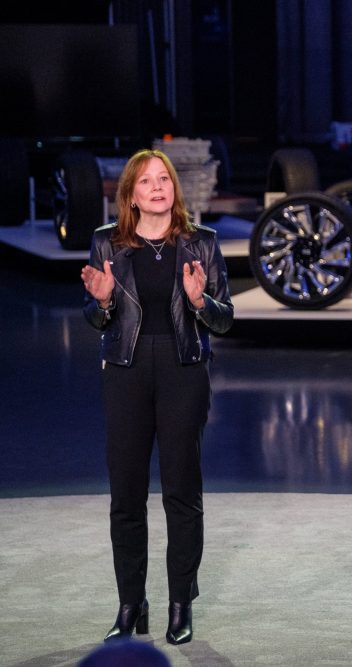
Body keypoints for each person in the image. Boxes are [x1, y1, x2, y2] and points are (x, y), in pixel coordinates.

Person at [81, 148, 233, 645]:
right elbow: (96, 318)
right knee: (126, 493)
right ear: (131, 194)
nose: (157, 186)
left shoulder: (202, 243)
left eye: (163, 178)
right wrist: (101, 302)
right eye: (146, 181)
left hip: (183, 369)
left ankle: (179, 603)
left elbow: (224, 318)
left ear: (174, 189)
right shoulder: (107, 244)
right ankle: (131, 604)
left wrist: (198, 300)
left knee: (181, 492)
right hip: (124, 371)